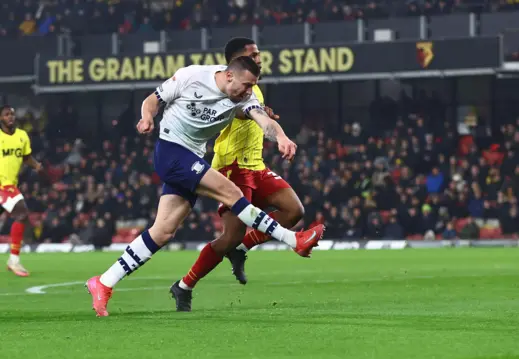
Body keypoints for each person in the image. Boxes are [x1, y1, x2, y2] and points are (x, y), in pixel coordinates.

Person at [85, 57, 325, 317]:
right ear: (229, 76)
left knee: (163, 231)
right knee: (232, 193)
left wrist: (281, 136)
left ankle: (104, 282)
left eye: (252, 86)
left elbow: (264, 121)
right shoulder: (193, 76)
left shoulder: (242, 98)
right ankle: (292, 239)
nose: (249, 91)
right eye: (246, 85)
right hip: (171, 152)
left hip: (193, 157)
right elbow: (152, 100)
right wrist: (146, 118)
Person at [172, 37, 305, 303]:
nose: (259, 58)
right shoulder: (229, 89)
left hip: (255, 165)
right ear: (237, 61)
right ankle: (184, 286)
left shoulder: (251, 86)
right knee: (230, 236)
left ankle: (242, 248)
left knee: (294, 211)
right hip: (231, 167)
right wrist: (275, 131)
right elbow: (244, 111)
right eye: (253, 55)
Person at [0, 105, 44, 277]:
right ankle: (14, 261)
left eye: (12, 114)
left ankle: (14, 260)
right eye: (6, 114)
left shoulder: (22, 136)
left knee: (21, 215)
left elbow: (26, 157)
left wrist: (37, 165)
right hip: (2, 186)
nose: (10, 117)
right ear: (1, 118)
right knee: (22, 214)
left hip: (11, 184)